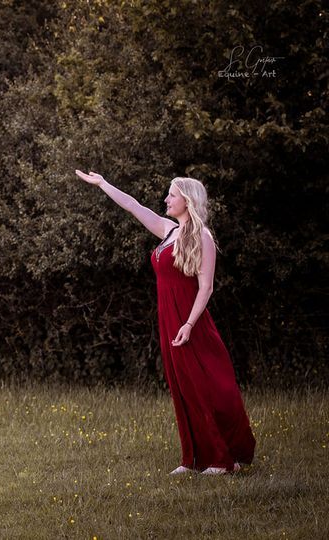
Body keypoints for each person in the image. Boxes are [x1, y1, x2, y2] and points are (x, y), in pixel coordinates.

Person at [75, 169, 255, 475]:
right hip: (169, 319)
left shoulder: (202, 237)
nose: (165, 199)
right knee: (182, 388)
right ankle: (194, 458)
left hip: (191, 321)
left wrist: (188, 324)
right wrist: (104, 184)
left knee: (207, 386)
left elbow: (206, 286)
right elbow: (133, 206)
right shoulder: (169, 231)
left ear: (187, 200)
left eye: (171, 195)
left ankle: (223, 459)